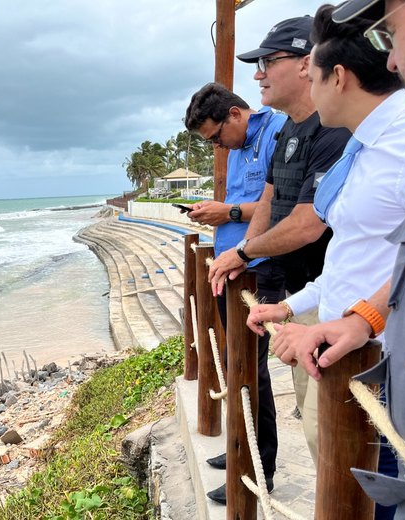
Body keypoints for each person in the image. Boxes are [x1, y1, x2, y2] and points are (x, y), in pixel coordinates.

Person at [246, 5, 405, 518]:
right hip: (353, 354)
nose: (396, 61)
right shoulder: (367, 145)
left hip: (392, 370)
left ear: (338, 77)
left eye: (311, 76)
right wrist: (293, 308)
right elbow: (353, 258)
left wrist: (362, 321)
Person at [207, 14, 352, 467]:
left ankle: (259, 468)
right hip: (303, 291)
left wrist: (244, 250)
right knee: (315, 419)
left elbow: (310, 222)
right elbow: (271, 199)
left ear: (310, 64)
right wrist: (241, 255)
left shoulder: (337, 131)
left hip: (337, 296)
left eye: (269, 61)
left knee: (332, 428)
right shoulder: (289, 128)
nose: (257, 74)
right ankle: (251, 462)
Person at [183, 82, 288, 505]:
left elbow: (279, 205)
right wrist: (221, 215)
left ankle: (260, 468)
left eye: (215, 137)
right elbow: (247, 206)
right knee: (235, 364)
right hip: (234, 270)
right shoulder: (242, 144)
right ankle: (240, 448)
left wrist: (224, 211)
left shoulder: (277, 131)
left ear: (234, 114)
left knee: (252, 373)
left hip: (259, 269)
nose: (218, 147)